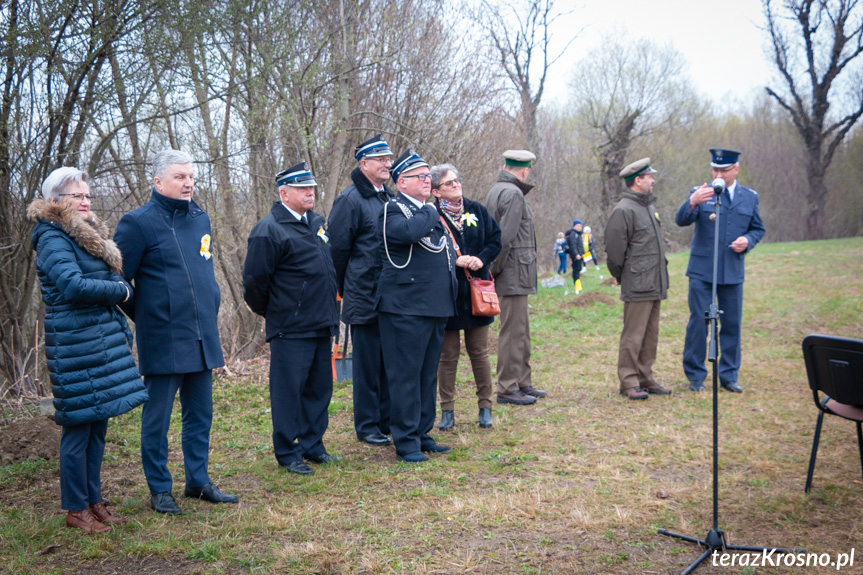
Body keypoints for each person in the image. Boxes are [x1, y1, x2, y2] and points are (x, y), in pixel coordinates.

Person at [115, 150, 238, 515]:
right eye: (180, 177)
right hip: (163, 339)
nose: (188, 183)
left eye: (191, 177)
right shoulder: (136, 223)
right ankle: (159, 489)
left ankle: (197, 481)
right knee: (158, 419)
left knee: (200, 415)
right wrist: (151, 316)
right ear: (158, 181)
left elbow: (204, 270)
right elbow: (118, 281)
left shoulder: (200, 218)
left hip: (202, 336)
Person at [29, 167, 148, 533]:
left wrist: (117, 285)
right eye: (76, 196)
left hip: (101, 343)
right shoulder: (51, 236)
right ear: (54, 201)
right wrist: (121, 292)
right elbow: (73, 286)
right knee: (78, 429)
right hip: (74, 344)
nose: (85, 201)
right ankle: (75, 509)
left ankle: (95, 502)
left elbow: (112, 273)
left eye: (87, 196)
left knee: (98, 426)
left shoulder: (87, 236)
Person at [243, 162, 340, 476]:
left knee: (319, 389)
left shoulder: (316, 224)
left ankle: (313, 446)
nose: (309, 193)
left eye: (311, 188)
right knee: (288, 392)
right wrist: (278, 312)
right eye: (302, 189)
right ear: (284, 193)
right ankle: (288, 451)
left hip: (321, 321)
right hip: (291, 326)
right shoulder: (269, 229)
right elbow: (255, 283)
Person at [377, 150, 456, 463]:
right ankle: (406, 441)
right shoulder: (392, 209)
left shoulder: (426, 211)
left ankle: (423, 433)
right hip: (404, 309)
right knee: (405, 377)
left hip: (434, 306)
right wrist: (432, 211)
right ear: (401, 182)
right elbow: (407, 234)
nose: (427, 181)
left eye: (428, 176)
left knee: (426, 376)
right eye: (420, 177)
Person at [675, 148, 765, 393]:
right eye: (715, 169)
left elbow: (758, 229)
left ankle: (728, 375)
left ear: (735, 169)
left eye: (724, 170)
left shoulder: (749, 197)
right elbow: (681, 220)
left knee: (732, 324)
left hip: (732, 272)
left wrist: (748, 240)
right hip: (702, 271)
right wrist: (691, 202)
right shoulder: (700, 193)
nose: (719, 174)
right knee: (699, 322)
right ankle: (695, 375)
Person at [327, 134, 394, 448]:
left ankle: (385, 419)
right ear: (363, 163)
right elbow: (337, 252)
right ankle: (367, 425)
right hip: (363, 294)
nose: (387, 164)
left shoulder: (387, 197)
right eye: (380, 159)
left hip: (389, 297)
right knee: (367, 366)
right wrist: (347, 289)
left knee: (386, 363)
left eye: (388, 159)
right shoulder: (350, 199)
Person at [431, 163, 502, 430]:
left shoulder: (477, 210)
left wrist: (479, 259)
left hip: (477, 293)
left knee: (479, 353)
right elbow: (429, 251)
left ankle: (485, 407)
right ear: (437, 191)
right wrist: (456, 261)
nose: (456, 185)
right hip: (447, 294)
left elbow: (495, 240)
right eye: (449, 183)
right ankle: (447, 410)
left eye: (457, 180)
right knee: (447, 356)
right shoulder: (431, 215)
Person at [604, 158, 673, 400]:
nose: (653, 180)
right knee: (633, 335)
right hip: (637, 282)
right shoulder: (624, 210)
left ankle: (646, 377)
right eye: (649, 177)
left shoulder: (647, 207)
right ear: (637, 180)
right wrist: (621, 276)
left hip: (655, 282)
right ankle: (629, 381)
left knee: (650, 334)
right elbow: (614, 251)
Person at [484, 150, 546, 405]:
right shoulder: (512, 193)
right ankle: (508, 387)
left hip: (513, 273)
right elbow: (504, 238)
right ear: (524, 170)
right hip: (512, 273)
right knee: (512, 333)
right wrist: (494, 270)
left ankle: (522, 382)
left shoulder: (498, 189)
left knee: (521, 331)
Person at [565, 220, 585, 292]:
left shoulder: (578, 234)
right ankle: (577, 288)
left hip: (580, 255)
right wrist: (576, 254)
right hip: (576, 256)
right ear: (575, 226)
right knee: (576, 271)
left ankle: (578, 287)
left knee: (578, 270)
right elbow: (573, 246)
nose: (580, 227)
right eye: (579, 226)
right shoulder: (573, 234)